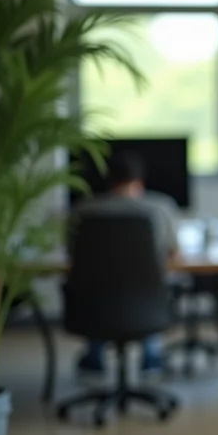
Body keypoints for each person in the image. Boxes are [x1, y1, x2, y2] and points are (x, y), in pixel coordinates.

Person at [70, 150, 179, 378]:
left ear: (109, 180)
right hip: (148, 304)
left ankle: (94, 357)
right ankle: (150, 357)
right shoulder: (160, 209)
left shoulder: (83, 210)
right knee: (150, 283)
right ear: (140, 181)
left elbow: (73, 255)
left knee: (100, 286)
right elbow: (173, 252)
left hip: (93, 305)